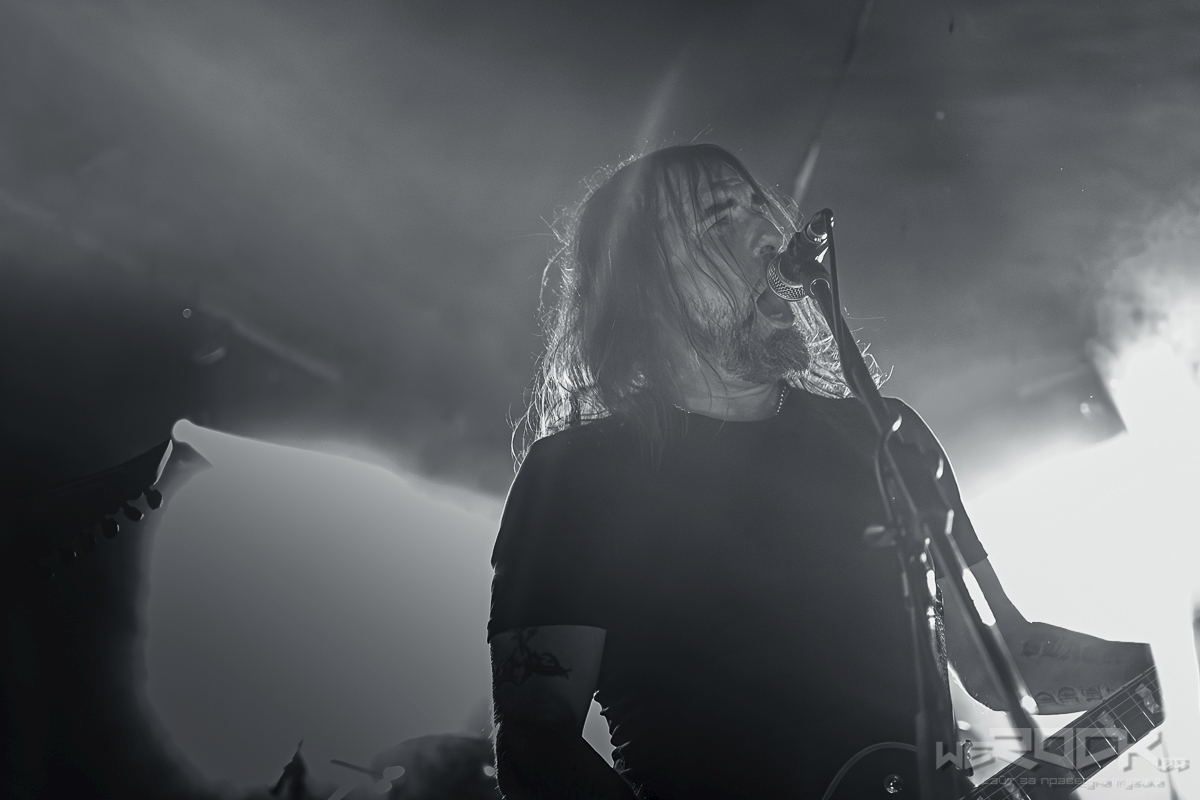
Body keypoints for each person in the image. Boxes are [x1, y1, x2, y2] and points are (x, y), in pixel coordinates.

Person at [487, 144, 1154, 800]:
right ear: (646, 292)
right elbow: (534, 742)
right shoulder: (579, 478)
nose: (768, 236)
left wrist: (1172, 665)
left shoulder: (886, 438)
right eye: (720, 221)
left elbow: (998, 657)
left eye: (759, 209)